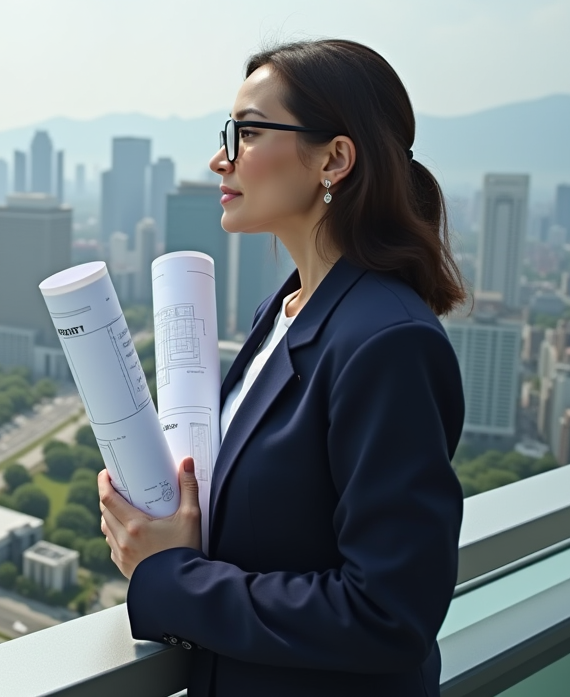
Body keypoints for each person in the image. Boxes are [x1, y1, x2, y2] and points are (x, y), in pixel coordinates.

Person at [98, 39, 467, 696]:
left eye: (247, 133)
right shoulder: (290, 307)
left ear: (334, 158)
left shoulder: (388, 341)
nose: (220, 158)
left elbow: (389, 614)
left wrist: (170, 573)